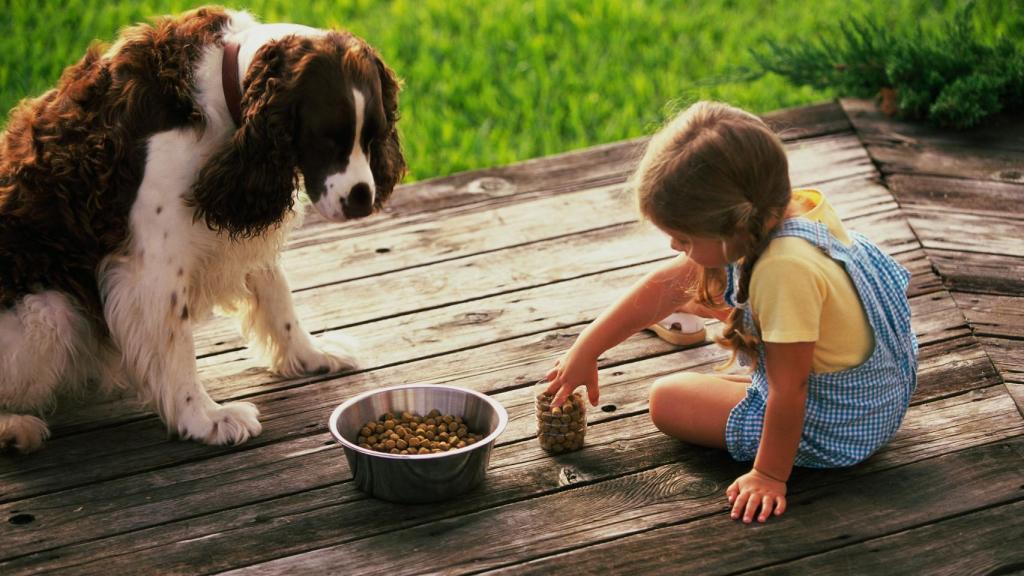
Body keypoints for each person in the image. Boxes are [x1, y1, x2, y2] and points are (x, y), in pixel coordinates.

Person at [544, 101, 918, 524]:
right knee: (695, 294)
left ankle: (776, 453)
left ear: (735, 228)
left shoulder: (782, 269)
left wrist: (769, 474)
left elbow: (790, 390)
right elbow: (664, 287)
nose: (674, 248)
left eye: (683, 239)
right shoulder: (787, 209)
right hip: (882, 392)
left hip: (843, 427)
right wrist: (586, 349)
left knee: (666, 398)